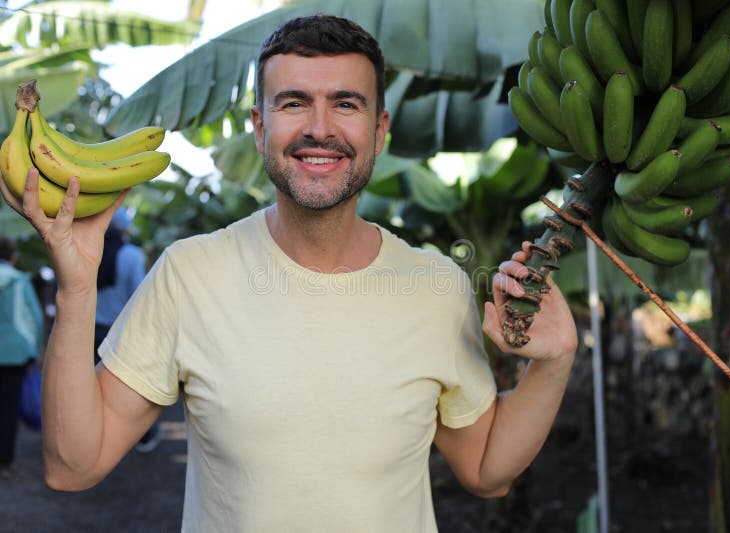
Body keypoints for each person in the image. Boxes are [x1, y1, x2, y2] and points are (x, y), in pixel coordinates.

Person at [0, 15, 578, 531]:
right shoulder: (190, 273)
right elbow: (72, 467)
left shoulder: (435, 286)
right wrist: (76, 286)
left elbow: (485, 470)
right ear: (259, 125)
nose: (320, 128)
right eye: (294, 102)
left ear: (380, 130)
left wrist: (553, 364)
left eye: (346, 104)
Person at [94, 208, 160, 453]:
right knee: (128, 388)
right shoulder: (132, 255)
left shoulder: (94, 249)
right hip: (121, 331)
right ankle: (141, 436)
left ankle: (96, 434)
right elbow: (140, 293)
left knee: (92, 385)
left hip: (91, 330)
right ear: (125, 230)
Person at [0, 236, 43, 478]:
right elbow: (34, 317)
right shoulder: (19, 281)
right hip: (15, 352)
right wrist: (36, 349)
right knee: (8, 407)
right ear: (12, 256)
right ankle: (4, 461)